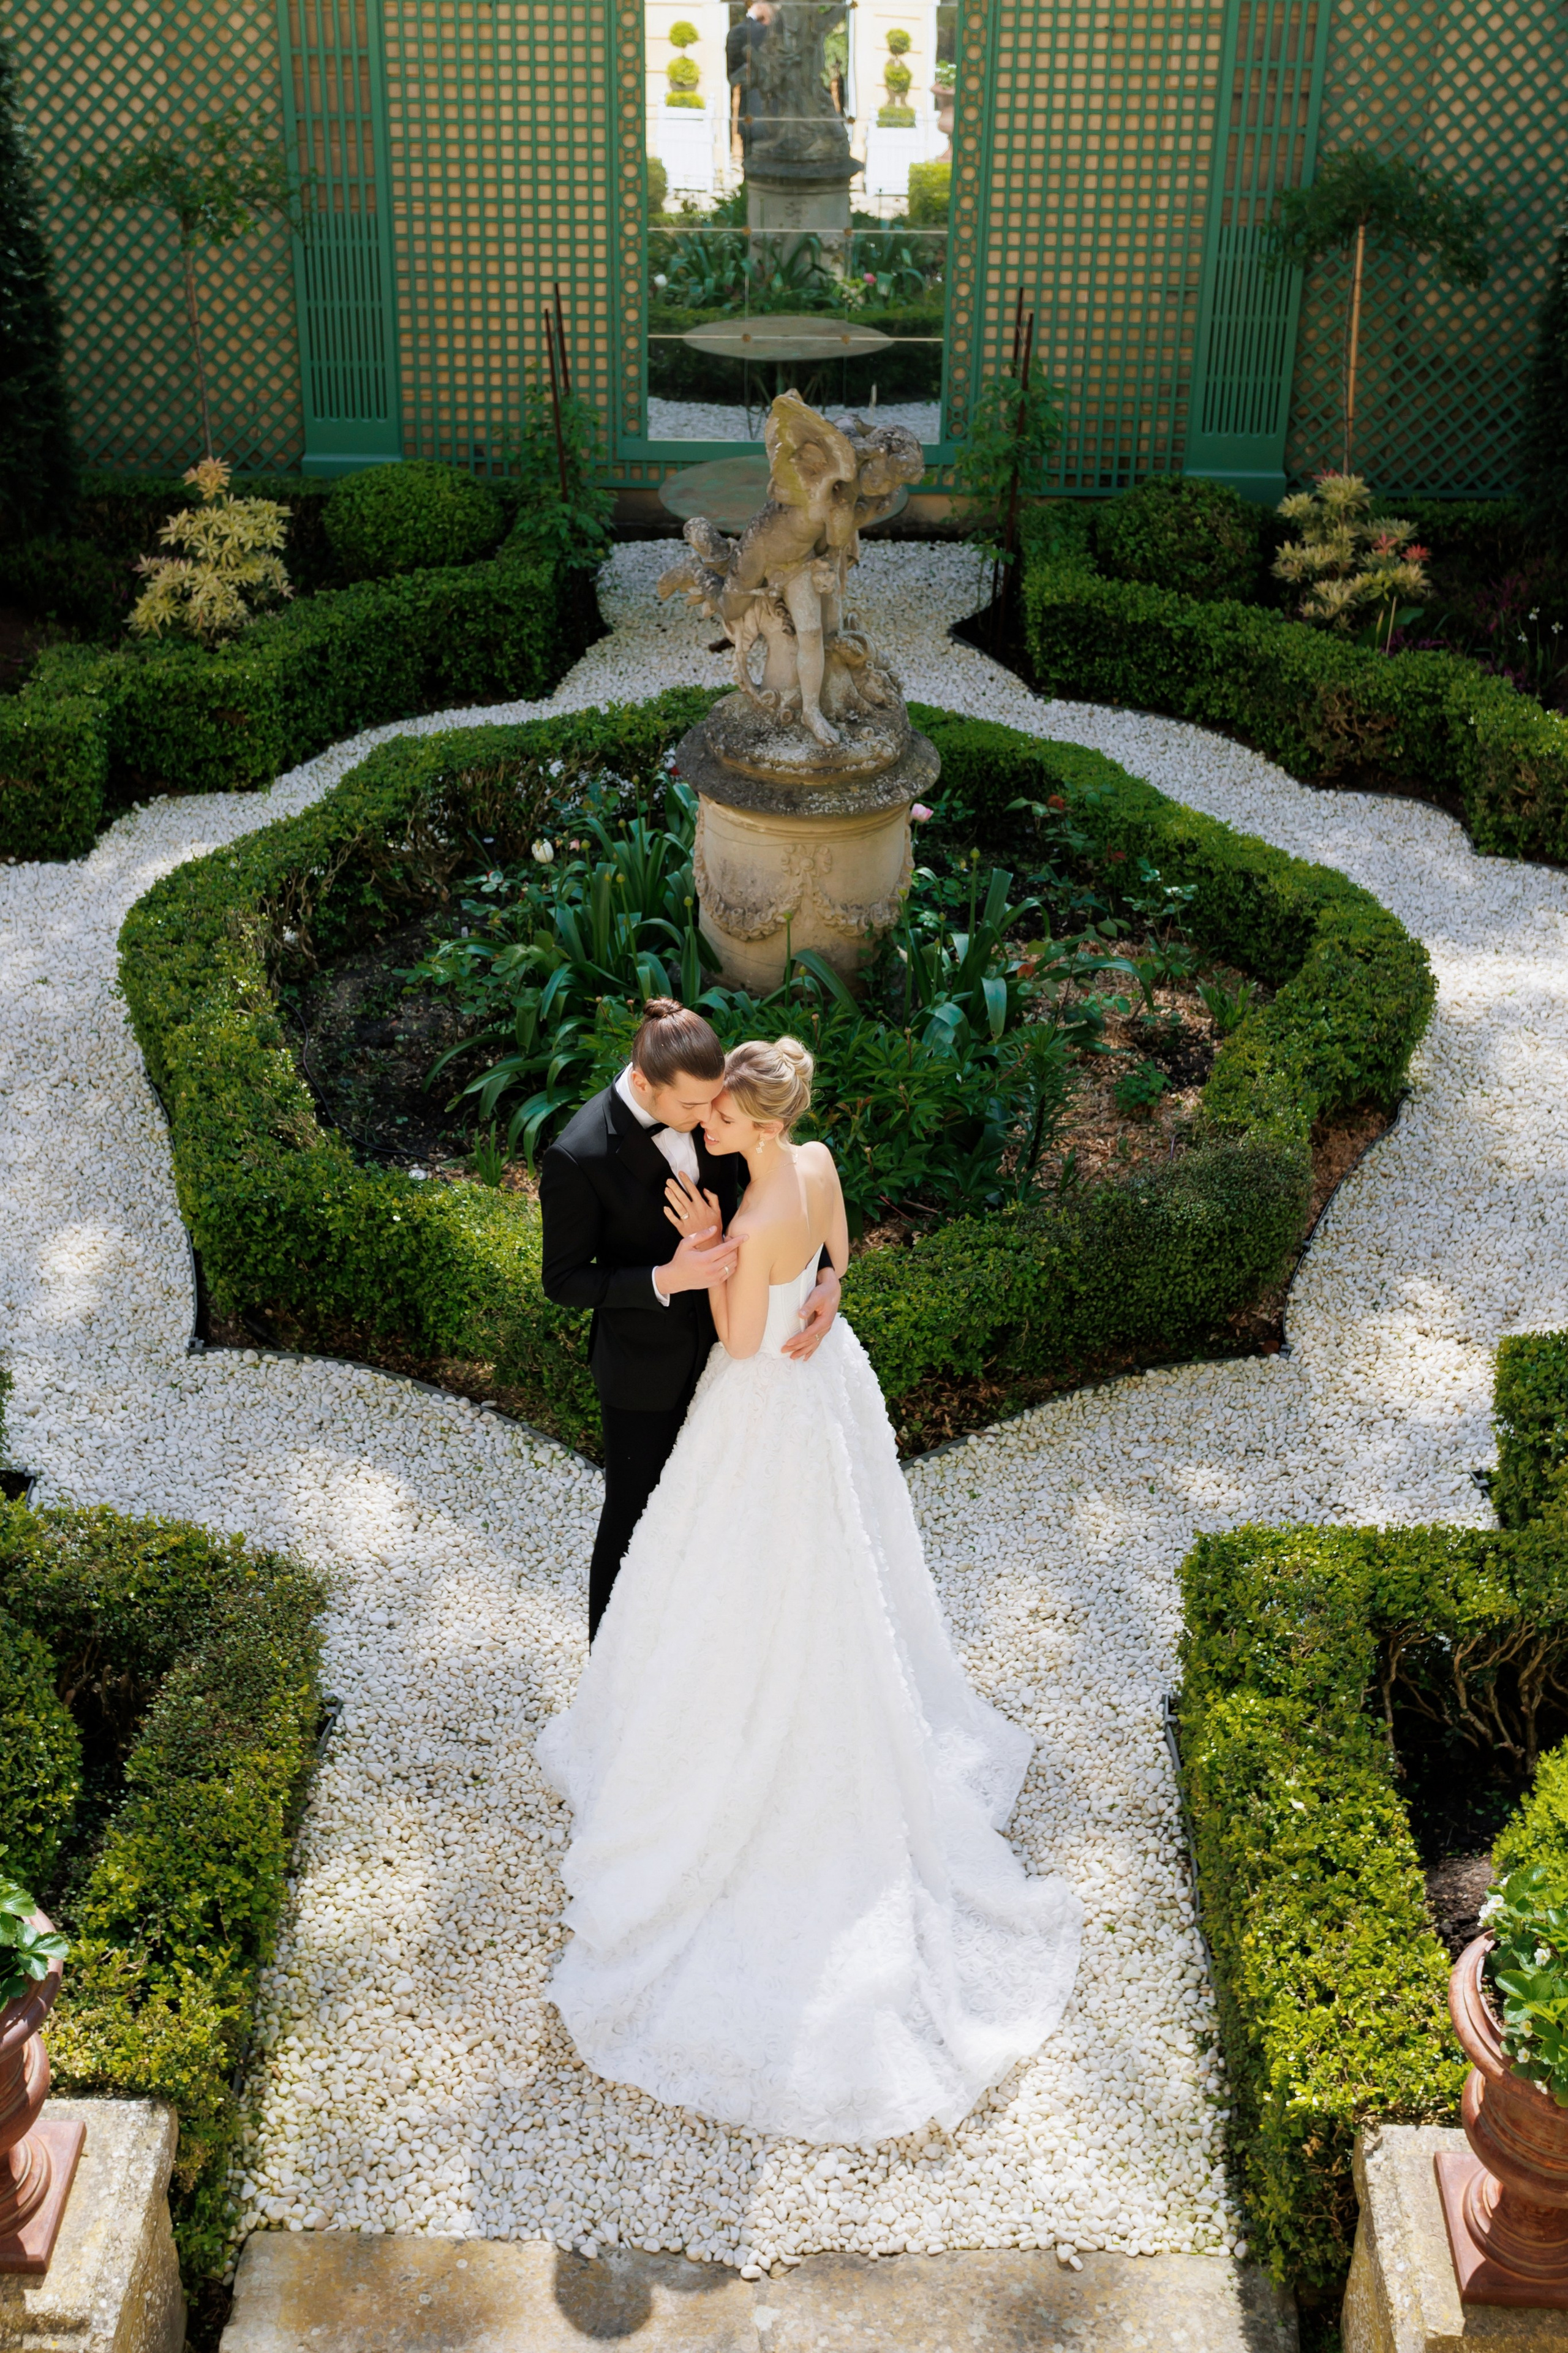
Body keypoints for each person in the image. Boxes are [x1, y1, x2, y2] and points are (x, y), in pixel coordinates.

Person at [537, 1037, 1082, 2144]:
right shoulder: (818, 1159)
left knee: (735, 1582)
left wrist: (715, 1250)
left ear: (757, 1120)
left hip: (760, 1409)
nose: (708, 1136)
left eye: (724, 1122)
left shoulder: (752, 1200)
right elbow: (837, 1246)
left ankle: (715, 1730)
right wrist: (823, 1288)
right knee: (830, 1565)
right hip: (819, 1388)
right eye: (705, 1118)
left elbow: (741, 1340)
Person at [538, 1000, 841, 1639]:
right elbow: (562, 1281)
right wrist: (665, 1279)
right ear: (644, 1081)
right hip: (646, 1374)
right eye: (693, 1109)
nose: (709, 1120)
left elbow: (789, 1185)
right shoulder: (578, 1154)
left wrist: (825, 1278)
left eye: (716, 1107)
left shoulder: (719, 1107)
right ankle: (608, 1675)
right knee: (632, 1519)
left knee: (722, 1525)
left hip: (741, 1370)